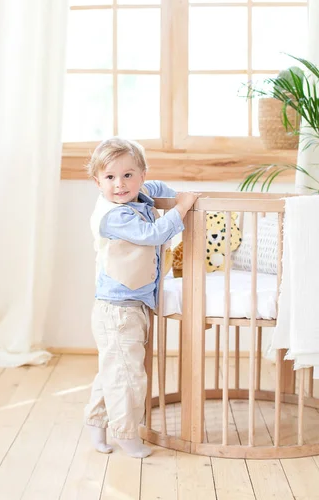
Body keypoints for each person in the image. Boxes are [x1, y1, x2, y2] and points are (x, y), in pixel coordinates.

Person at [84, 137, 199, 458]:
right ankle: (126, 434)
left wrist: (174, 193)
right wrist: (181, 208)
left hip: (129, 306)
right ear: (97, 182)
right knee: (128, 376)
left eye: (128, 175)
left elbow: (157, 188)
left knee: (115, 368)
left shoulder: (138, 196)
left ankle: (96, 421)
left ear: (141, 175)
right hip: (116, 311)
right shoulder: (114, 216)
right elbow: (153, 234)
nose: (119, 184)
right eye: (110, 177)